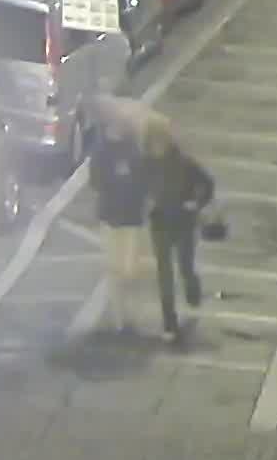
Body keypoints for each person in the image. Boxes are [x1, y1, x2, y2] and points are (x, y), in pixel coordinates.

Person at [85, 115, 158, 336]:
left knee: (129, 270)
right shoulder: (101, 151)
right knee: (114, 270)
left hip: (131, 218)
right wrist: (113, 178)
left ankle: (128, 314)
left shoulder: (133, 148)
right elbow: (95, 181)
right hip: (110, 217)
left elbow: (145, 179)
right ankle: (121, 320)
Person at [145, 120, 216, 341]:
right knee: (164, 272)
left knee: (185, 266)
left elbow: (207, 183)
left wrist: (196, 203)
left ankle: (192, 288)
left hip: (183, 224)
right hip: (160, 224)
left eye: (159, 142)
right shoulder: (146, 164)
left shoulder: (184, 164)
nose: (156, 147)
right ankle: (169, 320)